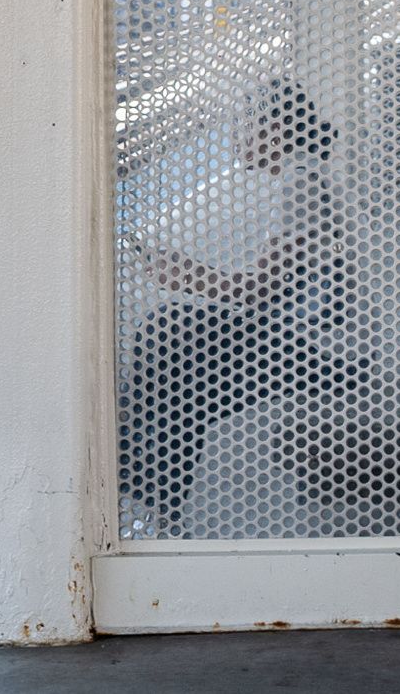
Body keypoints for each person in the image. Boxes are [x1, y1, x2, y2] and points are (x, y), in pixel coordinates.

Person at [119, 76, 352, 534]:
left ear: (275, 129)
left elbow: (254, 291)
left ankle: (145, 481)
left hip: (319, 351)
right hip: (299, 335)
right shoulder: (303, 176)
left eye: (241, 125)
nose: (233, 137)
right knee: (176, 349)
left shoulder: (301, 184)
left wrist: (184, 275)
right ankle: (150, 484)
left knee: (173, 341)